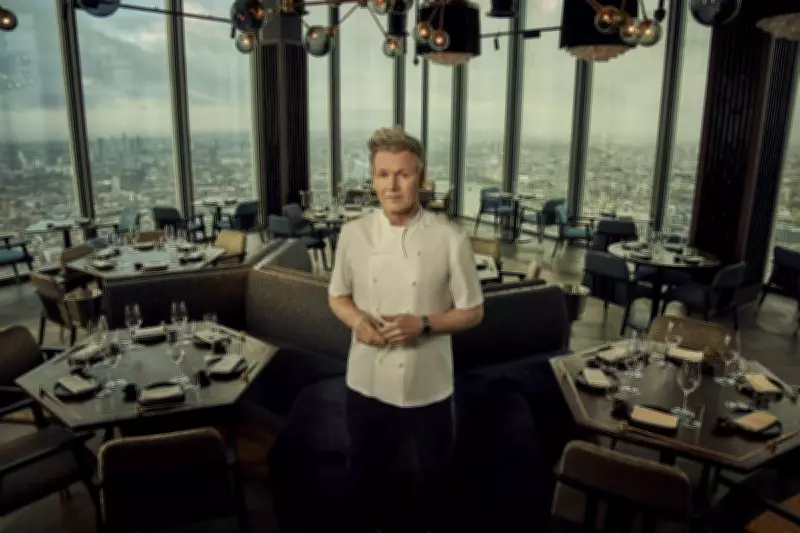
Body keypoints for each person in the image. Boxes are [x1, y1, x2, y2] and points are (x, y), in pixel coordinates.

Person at [328, 126, 484, 533]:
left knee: (433, 483)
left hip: (428, 384)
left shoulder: (451, 238)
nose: (392, 186)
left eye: (403, 174)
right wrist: (358, 321)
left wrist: (425, 323)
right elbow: (337, 296)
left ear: (421, 177)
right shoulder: (353, 234)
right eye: (383, 174)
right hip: (366, 380)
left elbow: (473, 311)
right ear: (372, 179)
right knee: (364, 477)